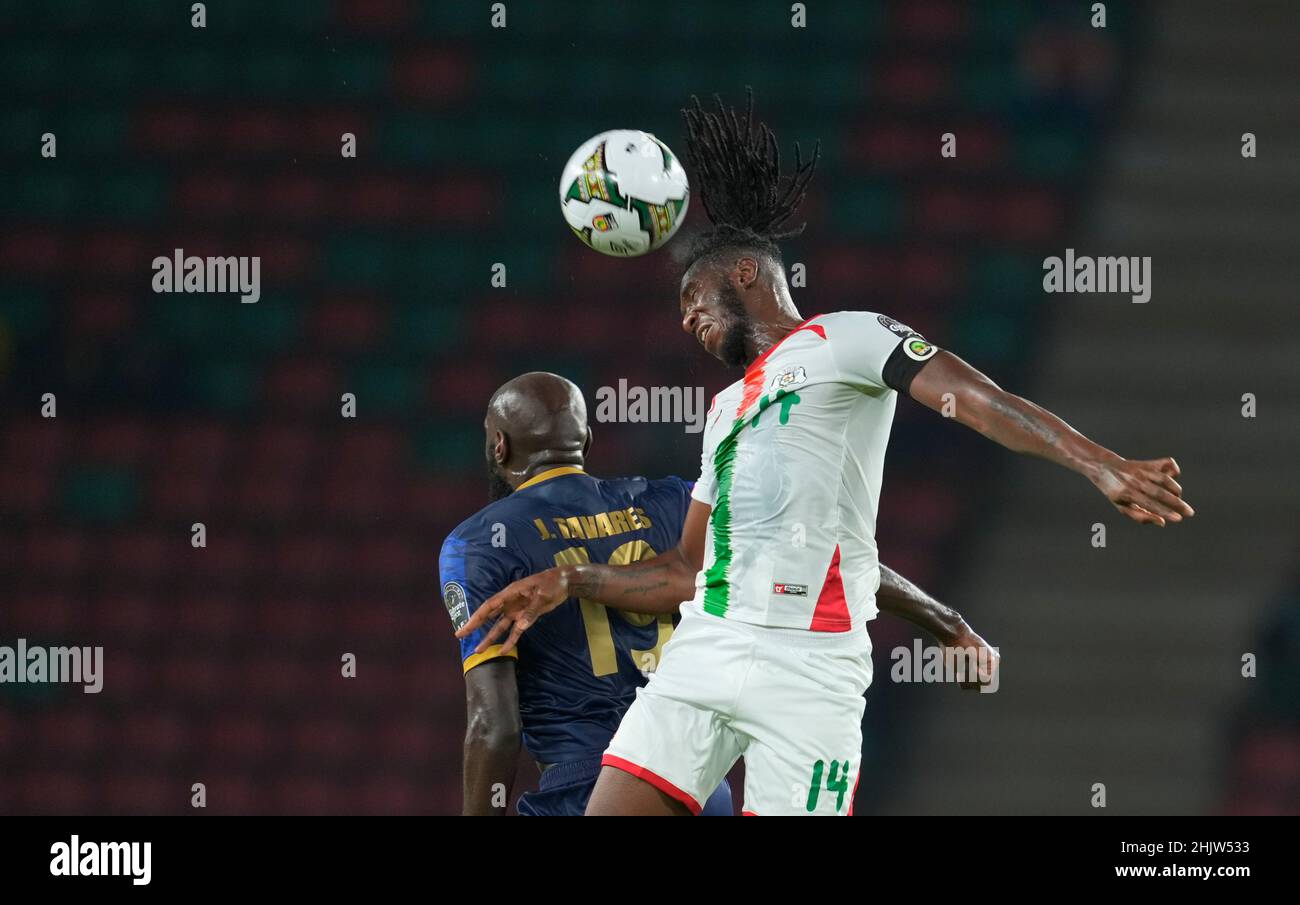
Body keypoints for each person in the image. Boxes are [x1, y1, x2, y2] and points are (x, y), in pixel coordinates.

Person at [442, 371, 993, 815]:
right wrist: (948, 623)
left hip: (588, 785)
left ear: (498, 446)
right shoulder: (674, 504)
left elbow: (495, 723)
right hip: (696, 783)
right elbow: (823, 558)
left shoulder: (477, 546)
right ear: (586, 440)